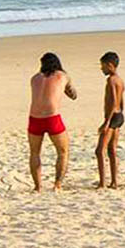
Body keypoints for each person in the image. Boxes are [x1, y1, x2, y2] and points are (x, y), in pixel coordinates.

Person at [28, 52, 77, 192]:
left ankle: (37, 186)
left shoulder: (34, 78)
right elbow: (73, 95)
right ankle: (57, 184)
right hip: (52, 117)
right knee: (63, 151)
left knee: (35, 152)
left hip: (34, 117)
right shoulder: (62, 76)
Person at [95, 51, 125, 189]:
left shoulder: (111, 80)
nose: (102, 69)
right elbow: (121, 101)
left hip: (112, 117)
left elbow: (113, 102)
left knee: (100, 150)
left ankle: (103, 183)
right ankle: (114, 181)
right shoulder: (120, 80)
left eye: (103, 66)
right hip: (119, 115)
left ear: (110, 65)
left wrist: (106, 123)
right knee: (112, 150)